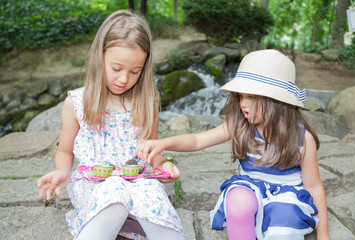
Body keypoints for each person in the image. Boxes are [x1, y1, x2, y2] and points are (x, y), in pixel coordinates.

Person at [136, 49, 330, 240]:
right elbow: (197, 140)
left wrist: (323, 234)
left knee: (284, 227)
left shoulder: (302, 139)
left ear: (277, 101)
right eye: (241, 96)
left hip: (287, 196)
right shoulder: (240, 126)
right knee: (238, 202)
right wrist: (163, 143)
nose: (243, 104)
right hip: (250, 188)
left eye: (252, 97)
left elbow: (314, 187)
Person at [37, 10, 184, 240]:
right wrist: (62, 171)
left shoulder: (146, 102)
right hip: (96, 187)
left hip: (138, 185)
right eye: (116, 68)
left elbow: (152, 151)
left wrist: (162, 164)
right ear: (100, 58)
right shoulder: (77, 103)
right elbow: (65, 150)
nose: (124, 79)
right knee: (114, 193)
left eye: (135, 71)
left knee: (152, 193)